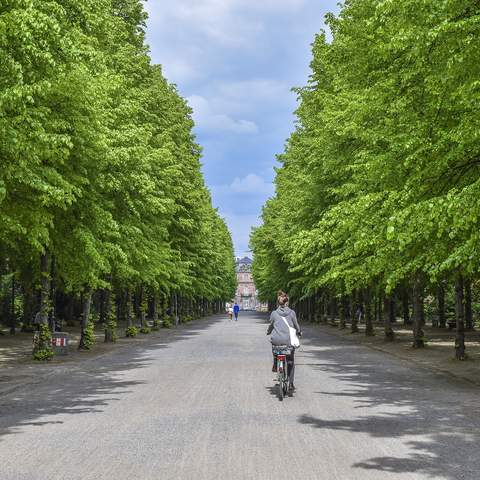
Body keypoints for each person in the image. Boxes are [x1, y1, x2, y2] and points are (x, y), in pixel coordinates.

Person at [266, 291, 301, 390]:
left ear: (278, 303)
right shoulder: (292, 313)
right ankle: (291, 383)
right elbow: (296, 325)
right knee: (290, 361)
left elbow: (271, 325)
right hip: (288, 342)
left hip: (277, 341)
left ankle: (276, 363)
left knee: (275, 348)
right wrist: (299, 331)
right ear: (287, 302)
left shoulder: (274, 313)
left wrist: (268, 332)